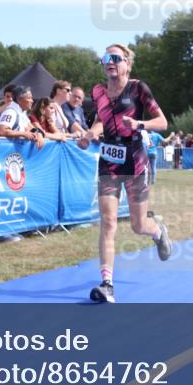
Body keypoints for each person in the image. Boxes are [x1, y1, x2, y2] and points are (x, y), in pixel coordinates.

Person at [77, 44, 172, 303]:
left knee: (138, 225)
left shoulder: (138, 89)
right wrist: (91, 134)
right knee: (108, 222)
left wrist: (140, 124)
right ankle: (107, 284)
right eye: (106, 58)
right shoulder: (98, 91)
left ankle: (158, 231)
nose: (110, 61)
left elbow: (162, 122)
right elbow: (101, 119)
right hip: (108, 162)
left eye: (115, 58)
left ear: (127, 64)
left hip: (135, 161)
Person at [0, 84, 45, 148]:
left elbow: (32, 129)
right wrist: (23, 134)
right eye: (29, 98)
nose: (32, 101)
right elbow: (1, 131)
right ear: (19, 100)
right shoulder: (11, 112)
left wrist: (39, 134)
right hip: (4, 151)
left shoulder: (21, 113)